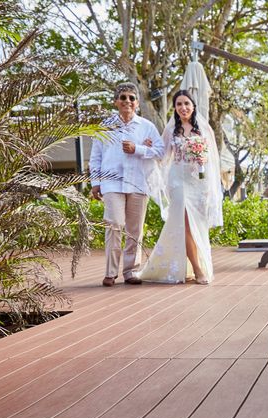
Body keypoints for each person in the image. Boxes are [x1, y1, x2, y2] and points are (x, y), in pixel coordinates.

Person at [139, 90, 223, 285]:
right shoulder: (171, 131)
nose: (183, 107)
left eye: (186, 103)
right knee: (185, 224)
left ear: (193, 106)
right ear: (175, 109)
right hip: (178, 181)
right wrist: (148, 146)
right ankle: (198, 269)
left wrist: (205, 169)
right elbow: (162, 156)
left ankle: (191, 266)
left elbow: (213, 160)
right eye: (179, 104)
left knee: (198, 227)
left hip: (199, 182)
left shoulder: (204, 130)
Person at [89, 82, 164, 287]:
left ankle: (131, 270)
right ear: (116, 102)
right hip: (111, 183)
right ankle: (110, 272)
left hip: (138, 183)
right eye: (123, 97)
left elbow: (160, 151)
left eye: (131, 98)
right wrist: (95, 183)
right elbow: (95, 157)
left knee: (134, 230)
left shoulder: (147, 126)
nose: (127, 101)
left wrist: (138, 149)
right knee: (114, 224)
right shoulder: (105, 126)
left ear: (137, 103)